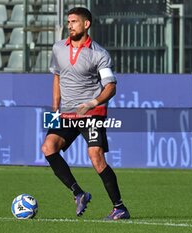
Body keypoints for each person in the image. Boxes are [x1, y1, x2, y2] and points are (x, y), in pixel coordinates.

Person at [42, 7, 130, 220]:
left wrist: (92, 102)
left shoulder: (99, 54)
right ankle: (79, 193)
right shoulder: (58, 48)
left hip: (93, 113)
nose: (69, 25)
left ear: (86, 24)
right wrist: (55, 109)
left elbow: (111, 86)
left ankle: (119, 207)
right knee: (48, 148)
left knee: (95, 157)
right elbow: (57, 77)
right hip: (66, 113)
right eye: (68, 21)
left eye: (74, 21)